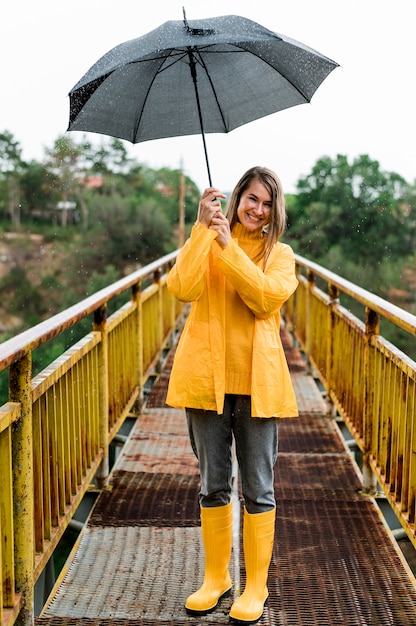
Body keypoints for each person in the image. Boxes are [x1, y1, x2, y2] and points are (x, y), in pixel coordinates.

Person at [166, 166, 298, 624]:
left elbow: (264, 299)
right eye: (251, 199)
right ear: (237, 197)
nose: (256, 209)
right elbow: (181, 288)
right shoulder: (209, 237)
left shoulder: (280, 255)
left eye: (266, 204)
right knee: (213, 484)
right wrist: (203, 230)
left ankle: (255, 585)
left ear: (273, 211)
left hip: (256, 384)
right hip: (207, 381)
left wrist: (227, 248)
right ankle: (215, 577)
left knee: (259, 489)